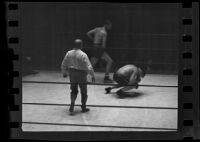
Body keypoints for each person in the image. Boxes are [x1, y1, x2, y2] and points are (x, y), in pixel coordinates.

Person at [61, 39, 95, 115]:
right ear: (81, 45)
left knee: (73, 90)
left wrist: (64, 72)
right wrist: (92, 75)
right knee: (84, 91)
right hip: (81, 74)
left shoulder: (68, 53)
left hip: (72, 73)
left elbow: (63, 63)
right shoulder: (83, 54)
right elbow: (89, 67)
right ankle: (83, 107)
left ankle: (72, 104)